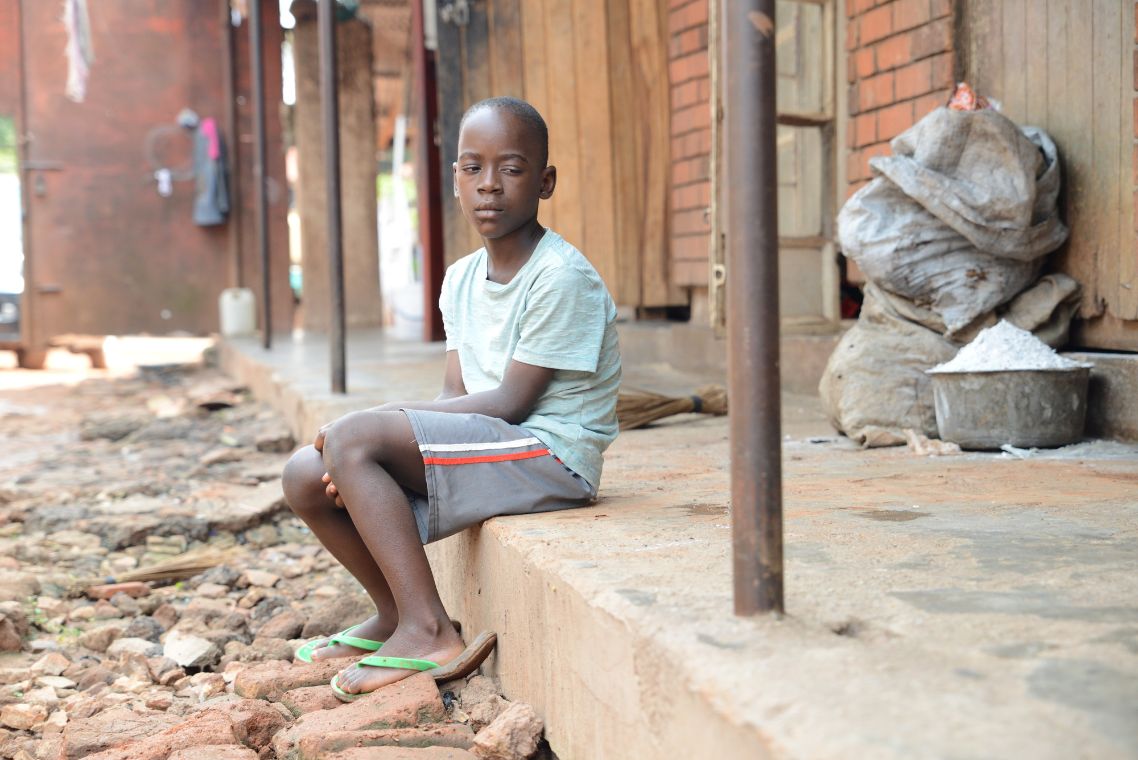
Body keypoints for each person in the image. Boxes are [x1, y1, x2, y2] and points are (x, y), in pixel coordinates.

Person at [281, 96, 622, 700]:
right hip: (494, 445)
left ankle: (429, 628)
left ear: (545, 182)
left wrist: (374, 427)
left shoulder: (561, 277)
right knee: (307, 472)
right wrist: (372, 440)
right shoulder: (462, 277)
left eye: (512, 170)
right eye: (473, 168)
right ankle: (392, 614)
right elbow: (454, 395)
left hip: (551, 454)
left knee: (354, 438)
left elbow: (512, 402)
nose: (489, 186)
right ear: (456, 181)